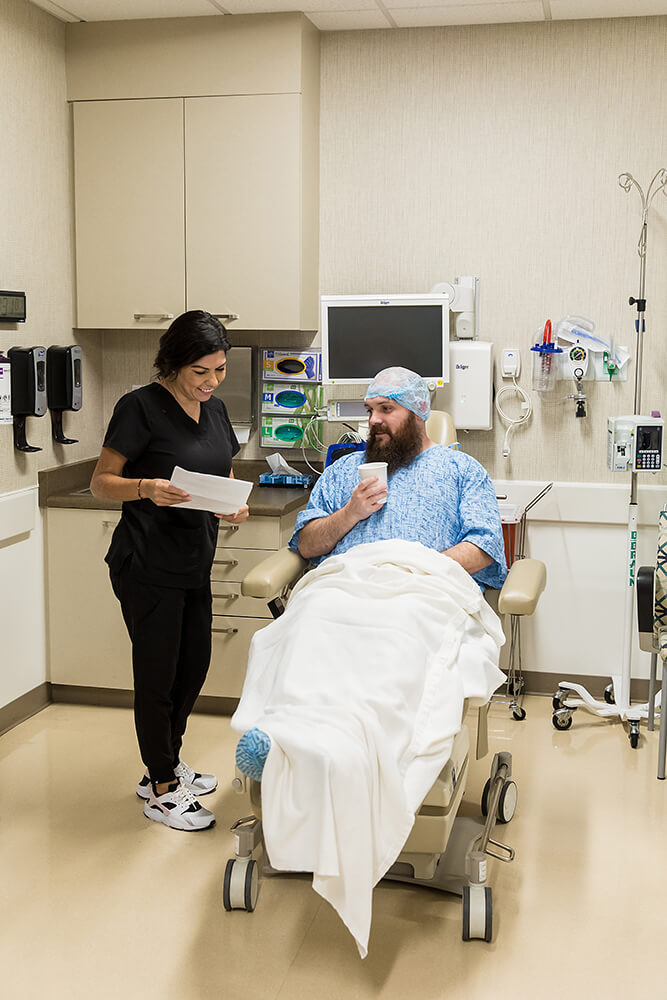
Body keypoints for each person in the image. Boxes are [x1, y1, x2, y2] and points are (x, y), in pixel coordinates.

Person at [234, 365, 506, 781]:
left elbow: (483, 546)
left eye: (386, 409)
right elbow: (306, 544)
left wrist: (417, 571)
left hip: (421, 591)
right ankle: (282, 736)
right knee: (310, 621)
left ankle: (374, 749)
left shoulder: (462, 471)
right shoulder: (343, 473)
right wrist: (350, 512)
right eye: (370, 409)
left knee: (396, 635)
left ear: (418, 414)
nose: (374, 420)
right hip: (343, 585)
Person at [90, 310, 249, 832]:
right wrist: (146, 488)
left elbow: (222, 465)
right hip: (146, 563)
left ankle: (164, 762)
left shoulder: (217, 408)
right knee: (157, 677)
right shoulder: (139, 408)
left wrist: (231, 502)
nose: (211, 382)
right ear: (175, 362)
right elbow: (101, 482)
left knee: (193, 668)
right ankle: (161, 787)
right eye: (200, 371)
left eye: (220, 370)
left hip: (192, 560)